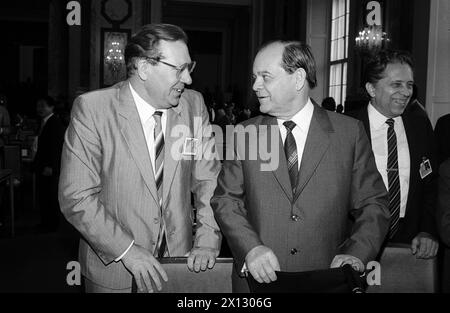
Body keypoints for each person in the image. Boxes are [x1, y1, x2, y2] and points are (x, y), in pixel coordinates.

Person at [211, 40, 390, 292]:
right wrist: (250, 247)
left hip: (327, 278)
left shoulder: (348, 133)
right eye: (254, 77)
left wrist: (357, 253)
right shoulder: (245, 133)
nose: (255, 86)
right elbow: (225, 200)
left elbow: (374, 203)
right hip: (257, 281)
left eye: (265, 76)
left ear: (297, 79)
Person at [59, 24, 222, 293]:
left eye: (189, 68)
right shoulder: (93, 110)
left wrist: (206, 241)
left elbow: (208, 181)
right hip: (115, 273)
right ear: (145, 68)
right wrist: (127, 250)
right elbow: (76, 196)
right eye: (178, 69)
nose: (188, 79)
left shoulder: (194, 105)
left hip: (180, 266)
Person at [349, 50, 439, 259]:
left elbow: (430, 185)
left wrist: (427, 230)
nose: (406, 92)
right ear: (371, 88)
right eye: (396, 84)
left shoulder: (420, 126)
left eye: (409, 85)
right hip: (356, 237)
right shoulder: (347, 127)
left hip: (411, 241)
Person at [33, 96, 65, 232]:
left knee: (49, 197)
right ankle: (46, 223)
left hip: (49, 167)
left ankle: (50, 225)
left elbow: (56, 147)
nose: (40, 109)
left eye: (43, 106)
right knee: (44, 195)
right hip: (43, 165)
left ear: (51, 107)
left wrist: (51, 166)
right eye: (38, 106)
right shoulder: (45, 121)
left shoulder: (54, 123)